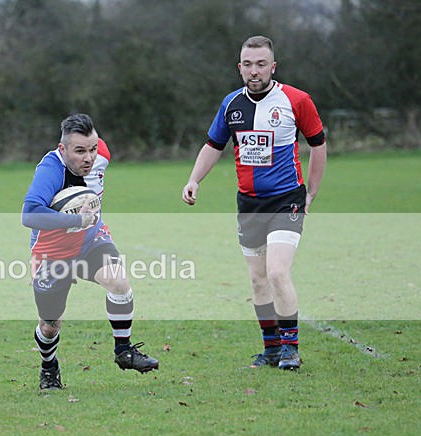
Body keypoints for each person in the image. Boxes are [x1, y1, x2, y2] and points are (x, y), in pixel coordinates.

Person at [181, 35, 327, 370]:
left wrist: (311, 192)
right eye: (248, 64)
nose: (254, 71)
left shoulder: (296, 100)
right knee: (258, 279)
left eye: (261, 64)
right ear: (239, 68)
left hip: (286, 201)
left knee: (277, 272)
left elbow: (318, 145)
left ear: (272, 67)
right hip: (248, 205)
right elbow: (213, 145)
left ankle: (291, 348)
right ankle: (272, 349)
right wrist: (193, 180)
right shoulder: (231, 104)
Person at [22, 113, 159, 390]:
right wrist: (75, 220)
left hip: (90, 240)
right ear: (63, 149)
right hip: (53, 252)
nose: (89, 157)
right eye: (80, 151)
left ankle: (124, 351)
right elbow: (30, 214)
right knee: (50, 325)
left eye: (93, 149)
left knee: (119, 281)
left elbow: (97, 153)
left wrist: (85, 225)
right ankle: (49, 367)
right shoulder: (51, 169)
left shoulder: (100, 154)